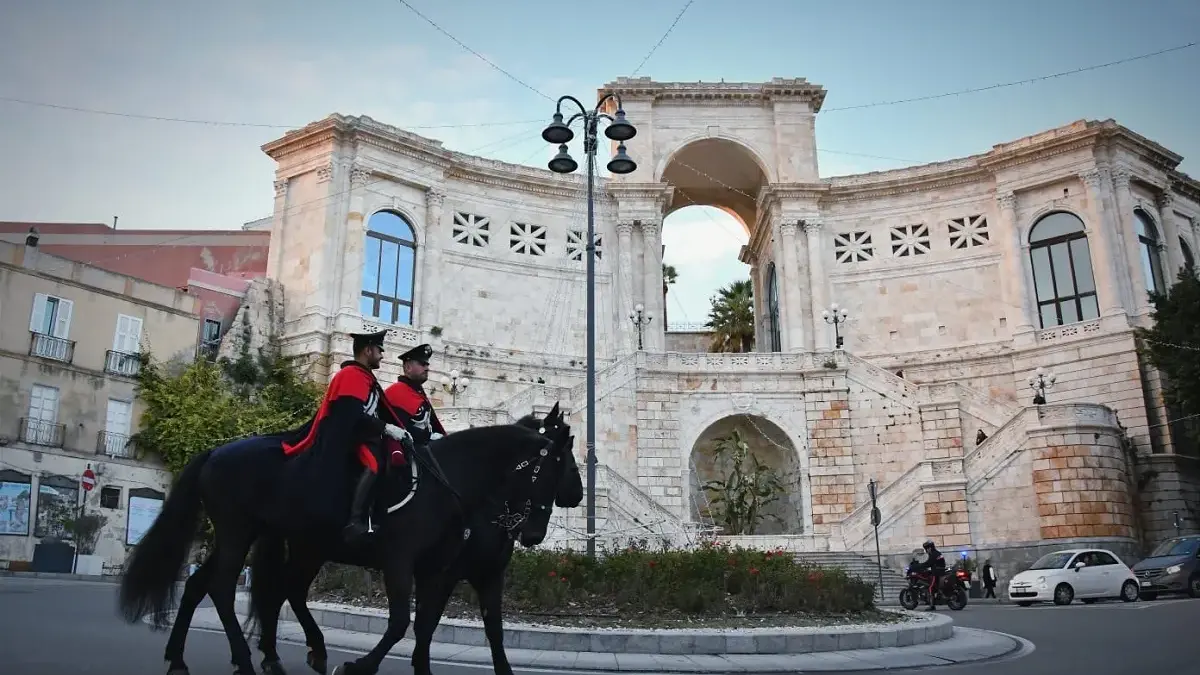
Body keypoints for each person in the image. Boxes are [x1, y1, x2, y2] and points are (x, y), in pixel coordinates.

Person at [282, 329, 412, 541]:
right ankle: (355, 521)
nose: (381, 355)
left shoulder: (364, 377)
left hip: (364, 435)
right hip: (349, 437)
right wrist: (386, 428)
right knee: (374, 465)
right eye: (379, 350)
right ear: (368, 350)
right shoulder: (351, 376)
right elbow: (351, 415)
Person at [384, 344, 447, 456]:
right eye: (422, 364)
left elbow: (432, 424)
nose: (427, 368)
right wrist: (429, 436)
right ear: (408, 367)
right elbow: (400, 427)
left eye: (427, 365)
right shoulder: (396, 392)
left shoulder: (418, 392)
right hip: (407, 454)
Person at [919, 539, 946, 610]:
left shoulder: (933, 554)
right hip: (942, 572)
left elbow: (928, 563)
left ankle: (932, 605)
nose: (926, 551)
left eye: (926, 549)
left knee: (931, 587)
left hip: (936, 573)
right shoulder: (938, 553)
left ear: (929, 548)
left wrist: (919, 566)